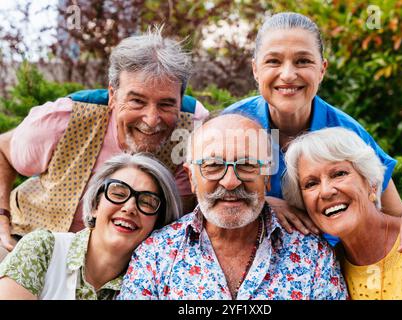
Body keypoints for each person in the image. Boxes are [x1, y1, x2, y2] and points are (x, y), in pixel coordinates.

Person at [222, 12, 402, 260]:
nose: (288, 74)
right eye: (273, 61)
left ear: (322, 69)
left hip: (331, 267)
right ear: (255, 69)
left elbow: (393, 214)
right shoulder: (230, 126)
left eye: (303, 61)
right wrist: (263, 203)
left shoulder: (347, 132)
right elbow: (203, 197)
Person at [0, 27, 208, 261]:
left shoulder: (196, 129)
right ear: (112, 95)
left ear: (180, 101)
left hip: (123, 264)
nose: (151, 120)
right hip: (25, 238)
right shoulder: (64, 119)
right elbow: (3, 150)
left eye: (166, 105)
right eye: (137, 101)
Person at [117, 114, 348, 300]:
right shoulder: (155, 255)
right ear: (191, 177)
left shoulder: (313, 257)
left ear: (267, 176)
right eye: (213, 165)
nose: (230, 181)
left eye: (247, 165)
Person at [283, 127, 402, 300]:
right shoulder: (325, 269)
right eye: (311, 184)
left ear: (372, 184)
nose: (326, 191)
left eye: (339, 174)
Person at [0, 153, 182, 299]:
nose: (129, 208)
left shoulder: (152, 287)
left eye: (147, 203)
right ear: (95, 205)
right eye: (118, 193)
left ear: (158, 223)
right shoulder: (43, 248)